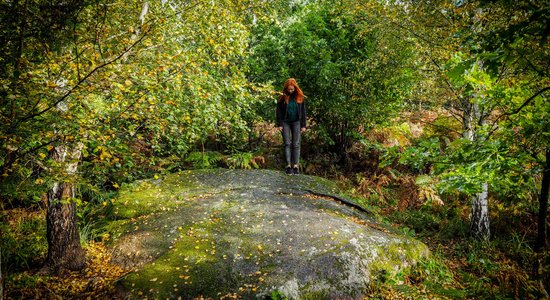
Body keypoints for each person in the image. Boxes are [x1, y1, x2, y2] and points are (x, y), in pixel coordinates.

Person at [276, 78, 306, 175]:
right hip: (285, 122)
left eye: (292, 89)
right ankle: (288, 165)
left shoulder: (300, 97)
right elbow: (278, 111)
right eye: (289, 89)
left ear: (295, 88)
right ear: (286, 88)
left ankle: (296, 166)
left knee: (296, 144)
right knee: (287, 143)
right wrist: (279, 124)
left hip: (296, 122)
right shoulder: (282, 97)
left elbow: (303, 112)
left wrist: (303, 125)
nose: (290, 91)